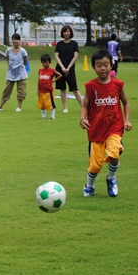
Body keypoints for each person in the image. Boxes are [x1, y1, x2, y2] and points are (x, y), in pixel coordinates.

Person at [80, 49, 131, 198]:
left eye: (106, 65)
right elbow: (85, 105)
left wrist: (127, 120)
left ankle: (111, 178)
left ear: (111, 65)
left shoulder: (118, 84)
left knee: (114, 152)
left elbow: (126, 103)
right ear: (93, 67)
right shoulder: (90, 86)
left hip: (114, 127)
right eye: (99, 65)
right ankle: (89, 186)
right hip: (96, 130)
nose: (102, 68)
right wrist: (83, 119)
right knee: (95, 165)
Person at [0, 33, 28, 112]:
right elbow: (8, 59)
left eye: (17, 39)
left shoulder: (23, 51)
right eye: (14, 39)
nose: (15, 41)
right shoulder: (9, 50)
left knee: (21, 91)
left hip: (21, 74)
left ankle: (19, 107)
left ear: (19, 40)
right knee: (7, 90)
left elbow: (25, 62)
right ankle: (0, 107)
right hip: (10, 74)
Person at [54, 25, 83, 113]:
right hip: (60, 69)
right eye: (64, 31)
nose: (66, 33)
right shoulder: (59, 44)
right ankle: (65, 108)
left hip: (70, 70)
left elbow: (75, 56)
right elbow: (56, 56)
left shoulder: (74, 44)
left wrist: (68, 67)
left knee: (75, 89)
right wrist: (62, 67)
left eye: (68, 31)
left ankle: (83, 106)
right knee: (62, 89)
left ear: (70, 32)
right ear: (62, 33)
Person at [36, 54, 62, 120]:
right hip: (42, 90)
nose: (44, 64)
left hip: (48, 90)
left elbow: (60, 75)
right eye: (43, 62)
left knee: (50, 104)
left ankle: (52, 116)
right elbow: (39, 80)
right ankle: (43, 116)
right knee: (42, 104)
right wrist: (38, 89)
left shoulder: (52, 70)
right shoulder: (40, 70)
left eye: (46, 62)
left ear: (49, 62)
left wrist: (54, 80)